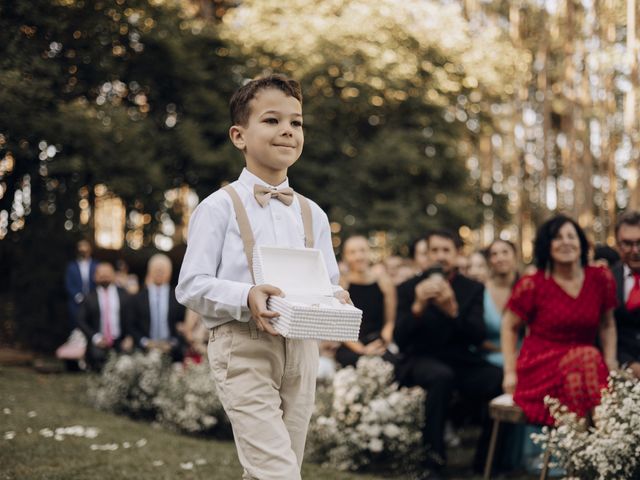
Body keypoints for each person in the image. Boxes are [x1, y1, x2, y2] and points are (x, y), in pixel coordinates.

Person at [176, 74, 348, 480]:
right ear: (239, 135)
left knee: (273, 467)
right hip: (242, 348)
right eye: (272, 120)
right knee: (278, 472)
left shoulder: (314, 214)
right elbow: (190, 284)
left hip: (302, 351)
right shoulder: (217, 207)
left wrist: (335, 298)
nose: (288, 129)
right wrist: (246, 294)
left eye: (297, 122)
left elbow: (328, 281)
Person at [395, 229, 502, 477]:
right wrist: (418, 308)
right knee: (440, 377)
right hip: (420, 359)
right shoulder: (408, 287)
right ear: (427, 253)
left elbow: (477, 335)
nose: (440, 256)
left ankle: (486, 461)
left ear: (457, 254)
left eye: (446, 250)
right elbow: (400, 339)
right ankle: (433, 462)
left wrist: (452, 311)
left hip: (460, 359)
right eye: (434, 250)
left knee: (497, 377)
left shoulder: (473, 288)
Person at [501, 215, 618, 426]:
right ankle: (599, 439)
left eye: (571, 236)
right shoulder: (533, 284)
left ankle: (580, 442)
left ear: (581, 244)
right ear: (547, 246)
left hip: (585, 368)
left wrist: (610, 361)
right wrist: (509, 371)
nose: (565, 242)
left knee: (584, 365)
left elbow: (607, 324)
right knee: (588, 358)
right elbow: (509, 326)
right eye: (557, 237)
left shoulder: (600, 277)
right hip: (540, 364)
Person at [335, 235, 397, 367]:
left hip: (377, 340)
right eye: (352, 252)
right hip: (351, 344)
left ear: (369, 253)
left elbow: (390, 322)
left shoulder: (384, 282)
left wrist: (382, 342)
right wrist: (362, 350)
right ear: (345, 257)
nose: (358, 257)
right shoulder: (341, 285)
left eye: (362, 250)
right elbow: (338, 326)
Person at [76, 262, 133, 370]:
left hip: (120, 341)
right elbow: (80, 320)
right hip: (98, 342)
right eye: (101, 274)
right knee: (98, 361)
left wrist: (129, 337)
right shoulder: (89, 297)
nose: (104, 276)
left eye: (107, 273)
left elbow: (131, 318)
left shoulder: (124, 295)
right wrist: (95, 338)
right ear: (95, 277)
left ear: (113, 275)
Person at [129, 254, 185, 361]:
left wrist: (172, 343)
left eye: (163, 270)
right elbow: (131, 325)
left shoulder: (178, 297)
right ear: (150, 271)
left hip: (173, 351)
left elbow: (182, 325)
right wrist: (146, 343)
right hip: (144, 351)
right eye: (156, 269)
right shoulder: (138, 297)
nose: (159, 272)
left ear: (170, 272)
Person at [481, 240, 519, 367]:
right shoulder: (480, 292)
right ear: (489, 261)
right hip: (489, 360)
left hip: (524, 357)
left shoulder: (527, 289)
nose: (500, 258)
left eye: (505, 252)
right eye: (494, 254)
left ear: (514, 256)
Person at [612, 210, 640, 379]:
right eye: (628, 244)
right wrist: (628, 364)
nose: (635, 250)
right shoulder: (607, 278)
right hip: (621, 371)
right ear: (617, 245)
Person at [64, 239, 98, 329]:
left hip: (93, 301)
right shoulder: (71, 266)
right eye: (80, 246)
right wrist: (78, 297)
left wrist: (92, 297)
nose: (83, 249)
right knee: (76, 326)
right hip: (76, 303)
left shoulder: (96, 265)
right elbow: (69, 284)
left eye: (85, 246)